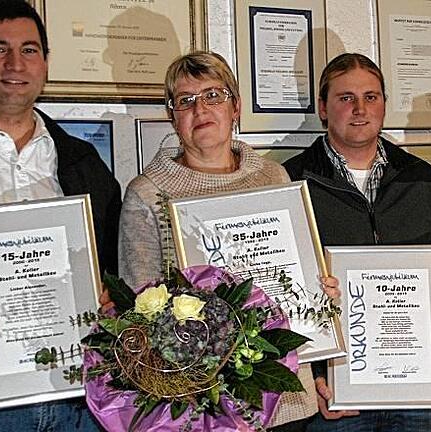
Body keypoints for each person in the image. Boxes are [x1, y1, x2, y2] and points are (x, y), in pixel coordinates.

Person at [117, 50, 338, 431]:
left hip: (285, 395)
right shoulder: (147, 194)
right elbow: (138, 310)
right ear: (173, 116)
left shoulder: (274, 179)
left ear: (235, 107)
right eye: (185, 100)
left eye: (213, 95)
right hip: (201, 403)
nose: (200, 109)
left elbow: (299, 286)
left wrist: (319, 295)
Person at [283, 52, 431, 432]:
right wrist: (314, 377)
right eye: (345, 98)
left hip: (414, 385)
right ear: (323, 108)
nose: (359, 109)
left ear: (384, 104)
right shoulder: (292, 182)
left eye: (371, 97)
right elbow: (283, 293)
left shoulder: (419, 177)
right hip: (336, 392)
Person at [0, 0, 121, 429]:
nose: (15, 63)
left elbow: (113, 277)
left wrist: (107, 297)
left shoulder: (85, 164)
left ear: (45, 63)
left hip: (80, 400)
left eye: (29, 50)